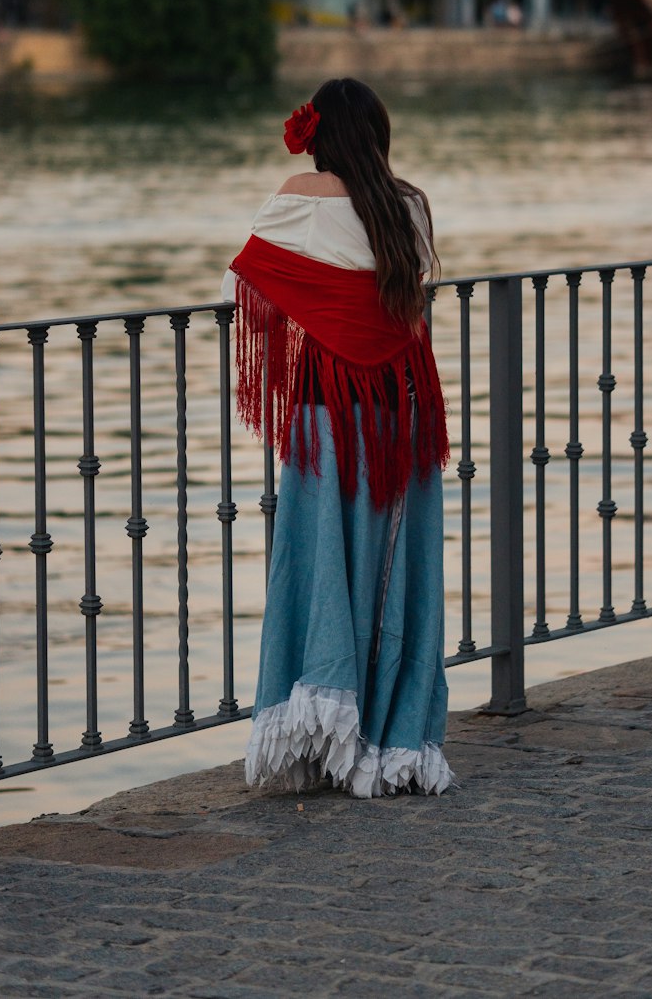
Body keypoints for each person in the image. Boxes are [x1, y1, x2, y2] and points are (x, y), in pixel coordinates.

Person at [223, 77, 454, 797]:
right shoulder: (407, 205)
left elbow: (254, 275)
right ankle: (392, 740)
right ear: (378, 134)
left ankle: (322, 733)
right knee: (397, 575)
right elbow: (407, 310)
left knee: (319, 564)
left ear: (319, 135)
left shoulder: (299, 193)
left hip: (330, 414)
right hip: (401, 411)